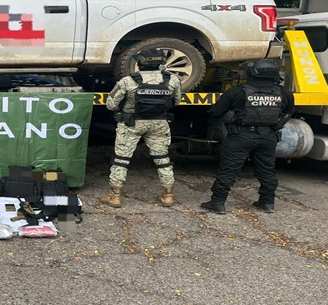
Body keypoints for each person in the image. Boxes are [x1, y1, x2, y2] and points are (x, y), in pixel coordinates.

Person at [201, 59, 295, 214]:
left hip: (239, 136)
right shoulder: (283, 92)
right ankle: (267, 202)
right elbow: (289, 112)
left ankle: (217, 203)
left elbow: (217, 112)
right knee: (266, 171)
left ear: (251, 73)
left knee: (229, 170)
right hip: (267, 137)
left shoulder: (237, 92)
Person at [101, 48, 182, 208]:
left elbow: (111, 104)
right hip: (159, 123)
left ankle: (115, 196)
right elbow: (177, 101)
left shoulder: (128, 81)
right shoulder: (171, 80)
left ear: (140, 63)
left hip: (131, 123)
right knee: (162, 159)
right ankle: (168, 195)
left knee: (121, 159)